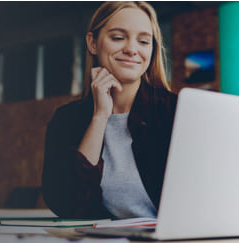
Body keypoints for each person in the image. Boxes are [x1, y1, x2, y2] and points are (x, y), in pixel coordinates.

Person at [42, 1, 177, 219]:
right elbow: (67, 204)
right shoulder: (66, 120)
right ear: (92, 43)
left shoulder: (174, 112)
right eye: (118, 37)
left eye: (143, 41)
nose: (132, 49)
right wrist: (100, 117)